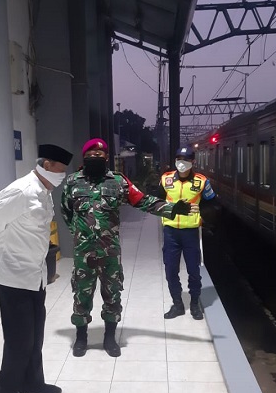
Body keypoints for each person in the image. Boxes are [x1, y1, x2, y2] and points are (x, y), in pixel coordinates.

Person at [61, 138, 193, 357]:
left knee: (112, 293)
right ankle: (81, 337)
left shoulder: (118, 182)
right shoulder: (72, 182)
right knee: (81, 294)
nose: (96, 157)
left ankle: (110, 337)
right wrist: (78, 232)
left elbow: (143, 201)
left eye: (101, 155)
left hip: (110, 252)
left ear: (106, 158)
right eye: (92, 155)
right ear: (84, 157)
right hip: (83, 251)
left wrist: (171, 209)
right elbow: (66, 211)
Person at [0, 143, 73, 393]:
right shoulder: (20, 191)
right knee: (19, 338)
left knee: (35, 335)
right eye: (60, 170)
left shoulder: (44, 192)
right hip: (13, 276)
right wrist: (0, 251)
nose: (62, 176)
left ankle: (32, 381)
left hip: (35, 276)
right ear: (45, 165)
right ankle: (5, 388)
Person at [160, 147, 217, 320]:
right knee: (171, 271)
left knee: (194, 271)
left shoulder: (201, 182)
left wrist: (203, 217)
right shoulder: (166, 179)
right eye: (178, 158)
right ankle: (177, 304)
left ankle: (194, 304)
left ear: (193, 161)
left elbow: (212, 203)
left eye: (185, 159)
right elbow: (156, 201)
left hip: (191, 232)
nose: (181, 163)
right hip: (170, 232)